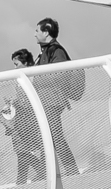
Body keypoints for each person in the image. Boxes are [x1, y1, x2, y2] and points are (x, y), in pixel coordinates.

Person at [32, 17, 81, 176]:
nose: (34, 34)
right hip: (47, 100)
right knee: (47, 139)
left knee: (56, 138)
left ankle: (71, 172)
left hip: (52, 100)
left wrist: (39, 79)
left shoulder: (56, 50)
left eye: (37, 31)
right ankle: (47, 174)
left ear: (46, 32)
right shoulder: (46, 51)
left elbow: (60, 73)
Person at [0, 50, 43, 184]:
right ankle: (22, 181)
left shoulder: (30, 78)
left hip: (27, 121)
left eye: (16, 64)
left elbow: (30, 101)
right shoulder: (23, 78)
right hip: (24, 119)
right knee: (21, 151)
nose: (14, 67)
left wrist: (14, 102)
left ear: (26, 63)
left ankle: (41, 172)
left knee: (22, 150)